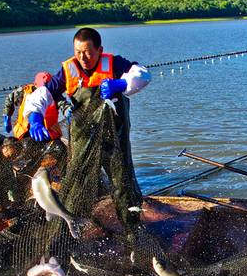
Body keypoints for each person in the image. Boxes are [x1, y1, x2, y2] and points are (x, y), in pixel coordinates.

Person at [22, 27, 151, 241]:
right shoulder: (69, 69)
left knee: (123, 186)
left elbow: (143, 74)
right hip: (83, 140)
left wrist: (121, 83)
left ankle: (133, 236)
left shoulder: (114, 64)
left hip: (114, 141)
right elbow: (42, 94)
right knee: (76, 188)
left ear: (99, 50)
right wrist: (34, 117)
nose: (83, 58)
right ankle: (68, 236)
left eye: (88, 52)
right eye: (78, 52)